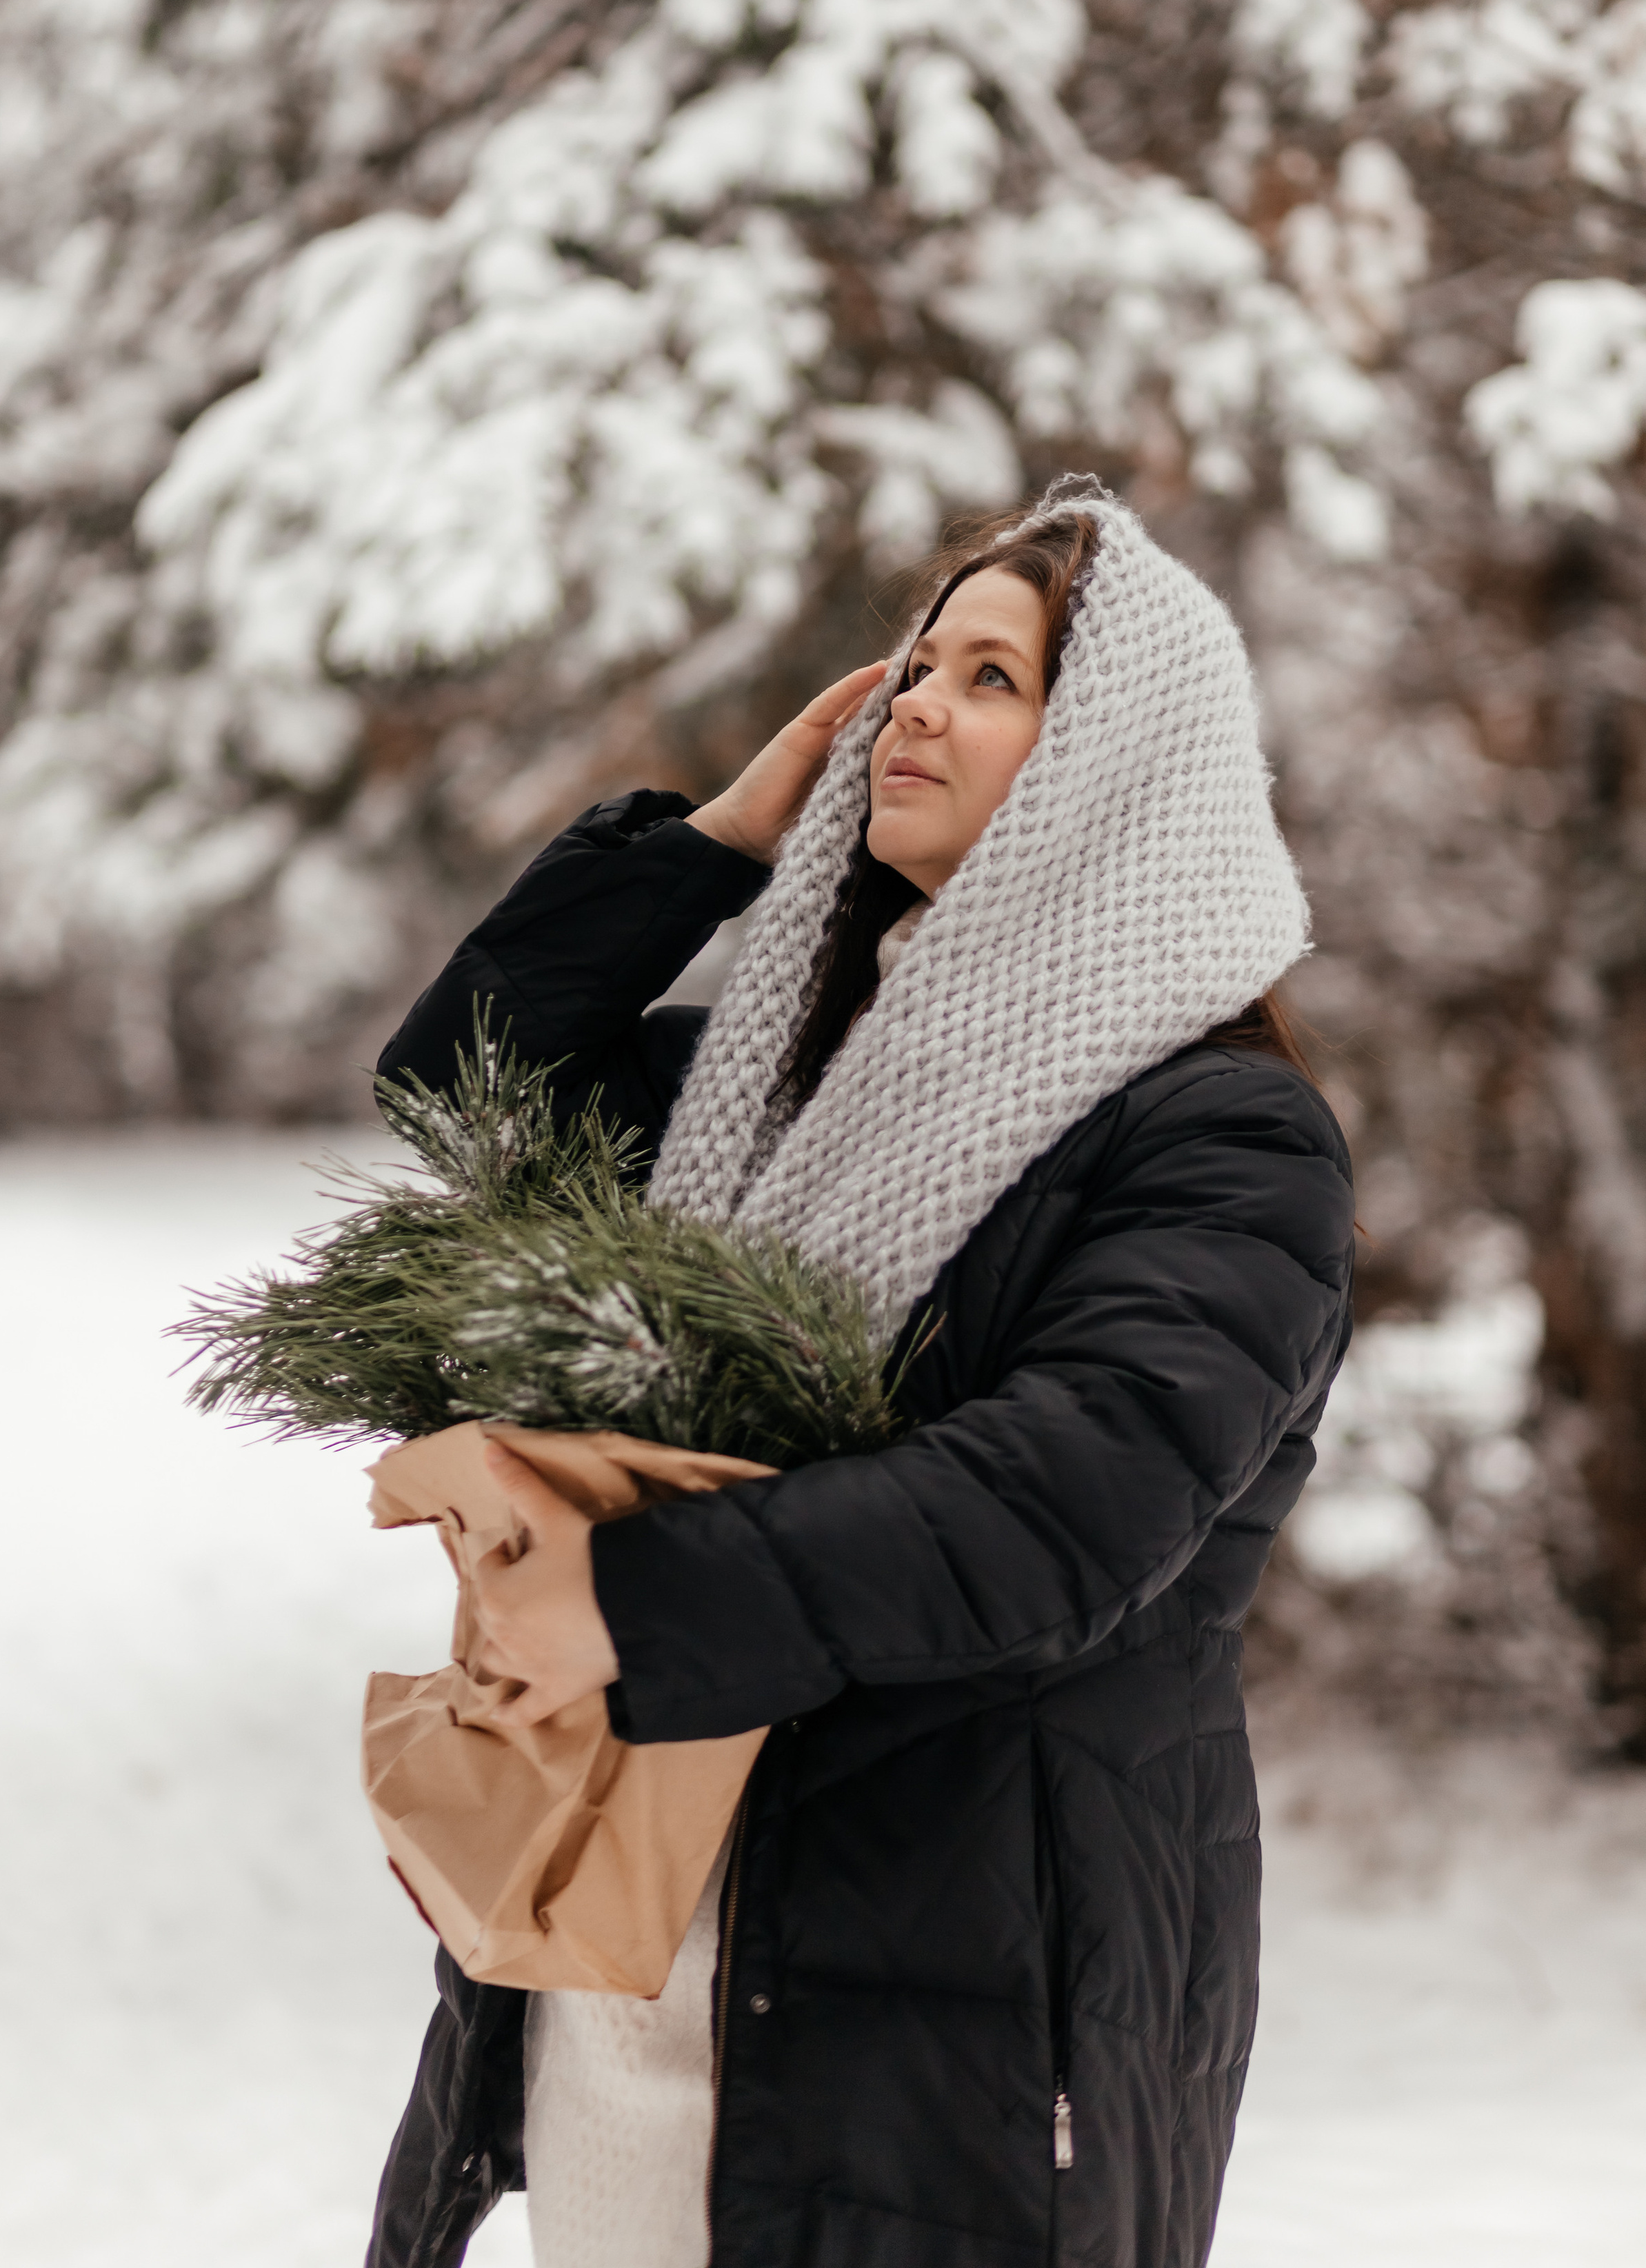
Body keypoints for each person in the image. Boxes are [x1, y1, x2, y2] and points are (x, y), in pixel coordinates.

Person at [365, 483, 1356, 2268]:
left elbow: (1069, 1502)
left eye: (994, 677)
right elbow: (459, 1097)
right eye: (918, 662)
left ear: (1111, 770)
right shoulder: (746, 1093)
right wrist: (717, 842)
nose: (914, 704)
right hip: (637, 1972)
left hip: (954, 2010)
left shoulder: (1222, 1139)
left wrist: (627, 1603)